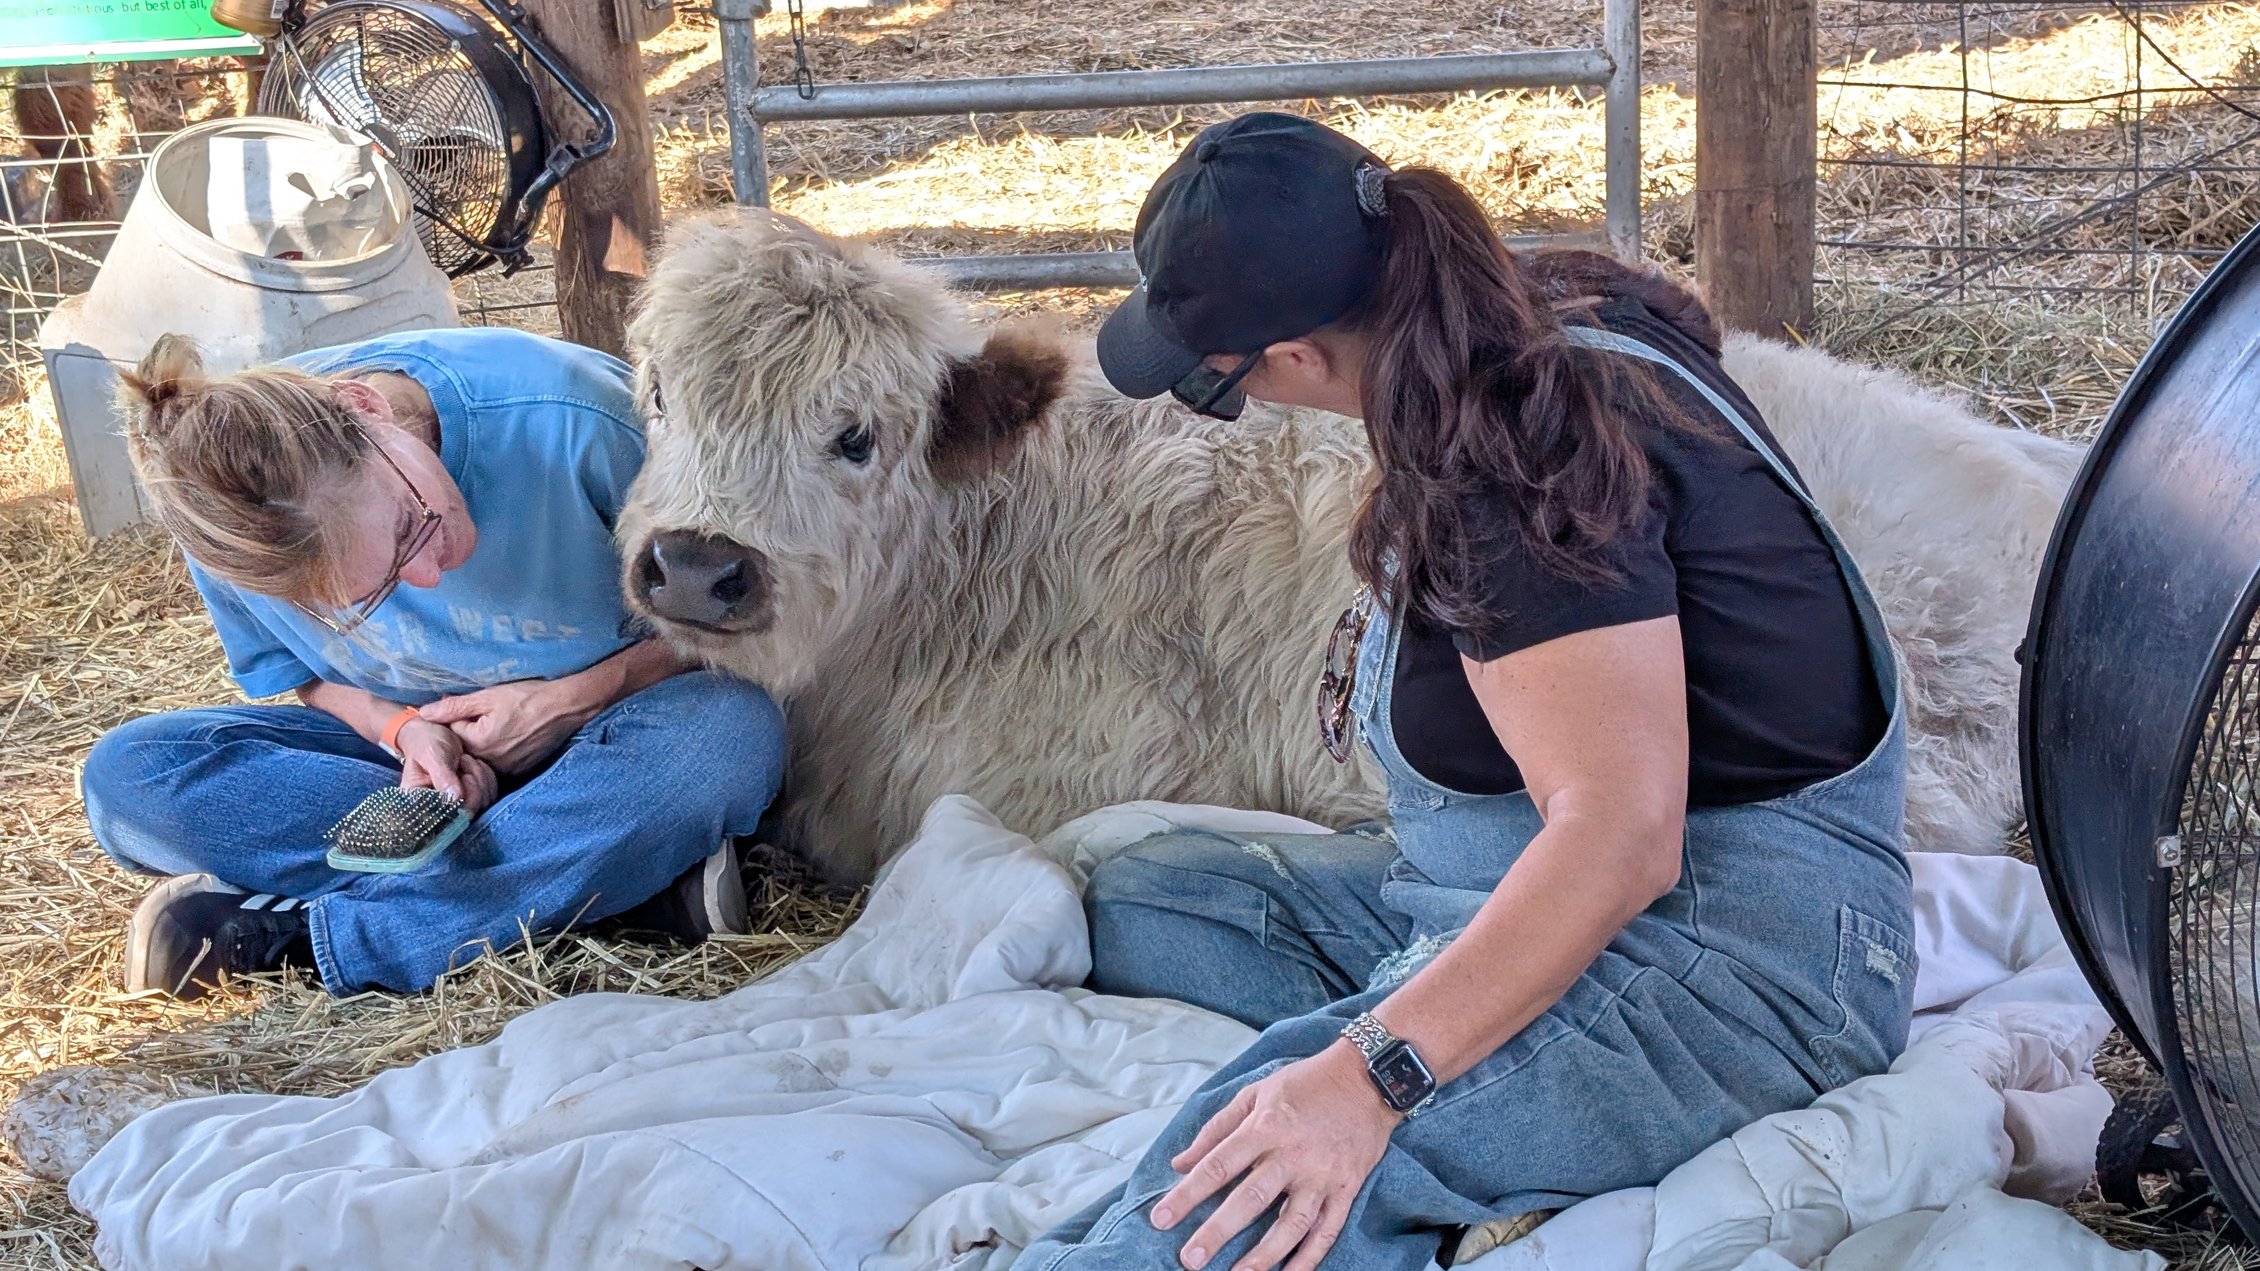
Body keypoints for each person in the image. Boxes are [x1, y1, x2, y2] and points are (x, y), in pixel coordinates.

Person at [1017, 113, 1915, 1271]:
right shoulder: (1529, 309)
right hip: (1527, 879)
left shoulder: (1515, 459)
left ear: (1295, 356)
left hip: (1729, 964)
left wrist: (1368, 1075)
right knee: (1145, 901)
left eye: (1216, 385)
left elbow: (1621, 837)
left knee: (1248, 1171)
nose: (1231, 404)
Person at [82, 326, 787, 1000]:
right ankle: (606, 882)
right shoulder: (227, 526)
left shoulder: (574, 416)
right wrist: (405, 732)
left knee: (730, 735)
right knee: (129, 778)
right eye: (371, 595)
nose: (429, 573)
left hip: (623, 730)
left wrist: (577, 698)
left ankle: (322, 939)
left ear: (365, 408)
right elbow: (308, 677)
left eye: (407, 525)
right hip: (427, 777)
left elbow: (748, 614)